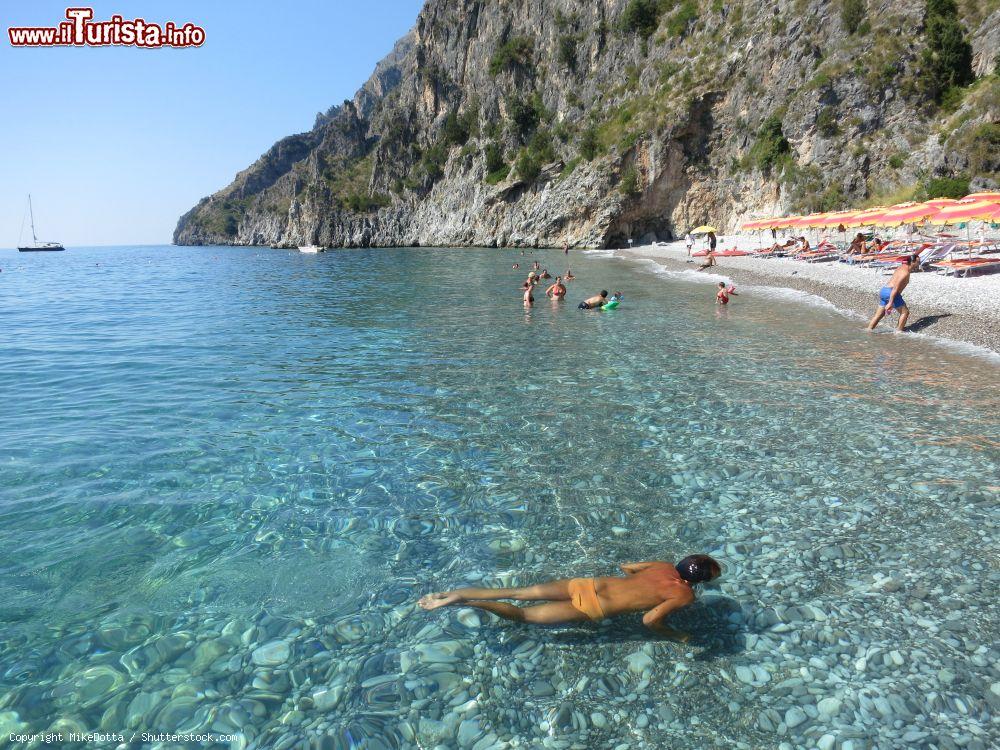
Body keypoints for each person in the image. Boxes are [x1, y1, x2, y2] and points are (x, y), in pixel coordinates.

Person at [418, 555, 722, 640]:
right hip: (593, 607)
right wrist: (675, 635)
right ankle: (466, 603)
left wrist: (637, 586)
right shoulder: (684, 595)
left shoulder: (663, 565)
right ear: (699, 582)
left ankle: (456, 593)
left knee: (519, 592)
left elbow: (626, 567)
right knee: (523, 615)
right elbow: (650, 619)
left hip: (585, 585)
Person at [867, 254, 919, 332]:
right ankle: (898, 332)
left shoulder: (902, 267)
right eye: (918, 262)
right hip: (891, 292)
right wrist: (890, 303)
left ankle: (868, 330)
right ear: (912, 262)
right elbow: (895, 288)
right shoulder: (905, 273)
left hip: (884, 291)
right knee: (905, 312)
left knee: (879, 315)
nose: (919, 263)